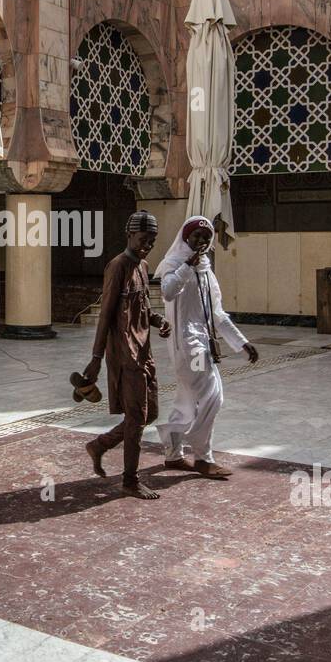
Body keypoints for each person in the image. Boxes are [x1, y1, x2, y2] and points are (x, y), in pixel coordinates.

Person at [153, 215, 258, 478]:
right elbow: (167, 291)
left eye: (206, 238)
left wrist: (241, 342)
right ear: (185, 237)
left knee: (187, 401)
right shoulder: (173, 263)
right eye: (196, 236)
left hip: (202, 342)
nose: (201, 241)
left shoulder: (206, 270)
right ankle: (203, 457)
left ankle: (173, 455)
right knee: (212, 395)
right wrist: (187, 266)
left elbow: (217, 314)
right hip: (188, 345)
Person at [78, 210, 171, 499]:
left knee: (149, 412)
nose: (147, 245)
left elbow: (142, 307)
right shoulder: (117, 266)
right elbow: (105, 315)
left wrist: (157, 321)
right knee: (138, 416)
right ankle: (130, 480)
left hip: (144, 351)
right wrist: (95, 359)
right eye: (143, 239)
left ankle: (101, 445)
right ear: (129, 235)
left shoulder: (143, 266)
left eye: (152, 241)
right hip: (124, 352)